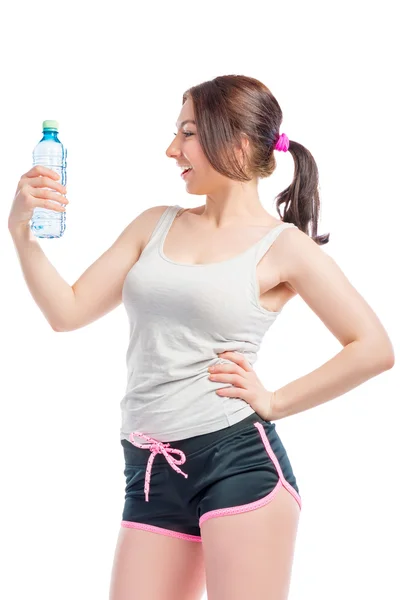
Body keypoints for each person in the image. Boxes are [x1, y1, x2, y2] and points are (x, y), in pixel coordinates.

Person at [8, 75, 395, 600]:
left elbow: (373, 347)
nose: (172, 149)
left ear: (234, 141)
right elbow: (67, 312)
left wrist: (275, 400)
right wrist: (22, 234)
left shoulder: (284, 248)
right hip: (148, 471)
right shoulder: (154, 224)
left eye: (187, 133)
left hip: (236, 464)